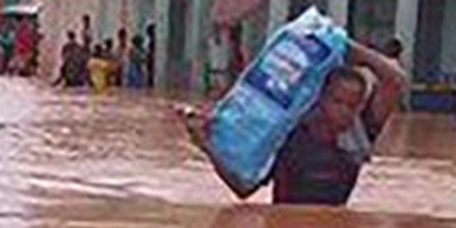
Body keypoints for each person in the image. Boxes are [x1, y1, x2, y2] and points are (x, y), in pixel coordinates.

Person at [182, 41, 408, 207]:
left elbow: (396, 81)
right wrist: (207, 145)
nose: (345, 112)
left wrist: (344, 45)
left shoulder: (358, 136)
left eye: (353, 105)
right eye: (338, 102)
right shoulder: (287, 135)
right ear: (319, 99)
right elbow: (243, 188)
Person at [145, 23, 158, 89]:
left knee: (150, 72)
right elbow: (149, 50)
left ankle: (150, 84)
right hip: (150, 57)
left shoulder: (151, 39)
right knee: (150, 72)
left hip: (150, 56)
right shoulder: (151, 39)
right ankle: (150, 85)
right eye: (153, 30)